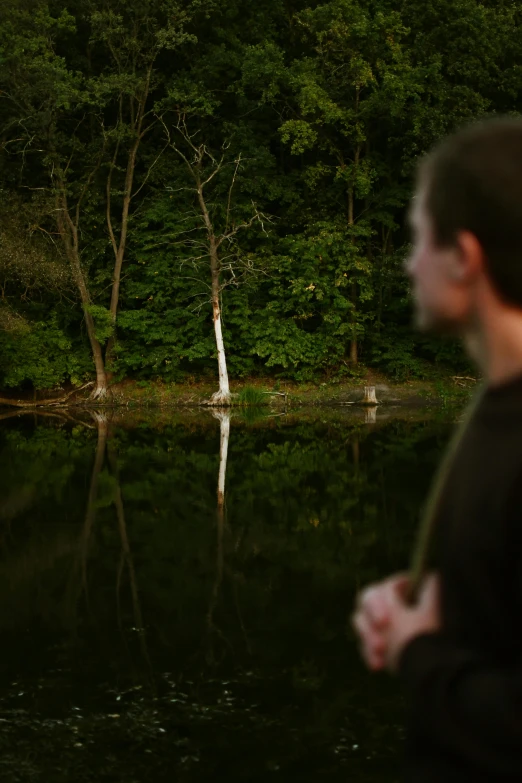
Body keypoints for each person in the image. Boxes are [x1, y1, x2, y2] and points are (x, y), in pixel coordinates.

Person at [352, 117, 522, 783]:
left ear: (465, 257)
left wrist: (418, 652)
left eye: (419, 237)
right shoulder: (494, 405)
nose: (407, 262)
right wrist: (419, 609)